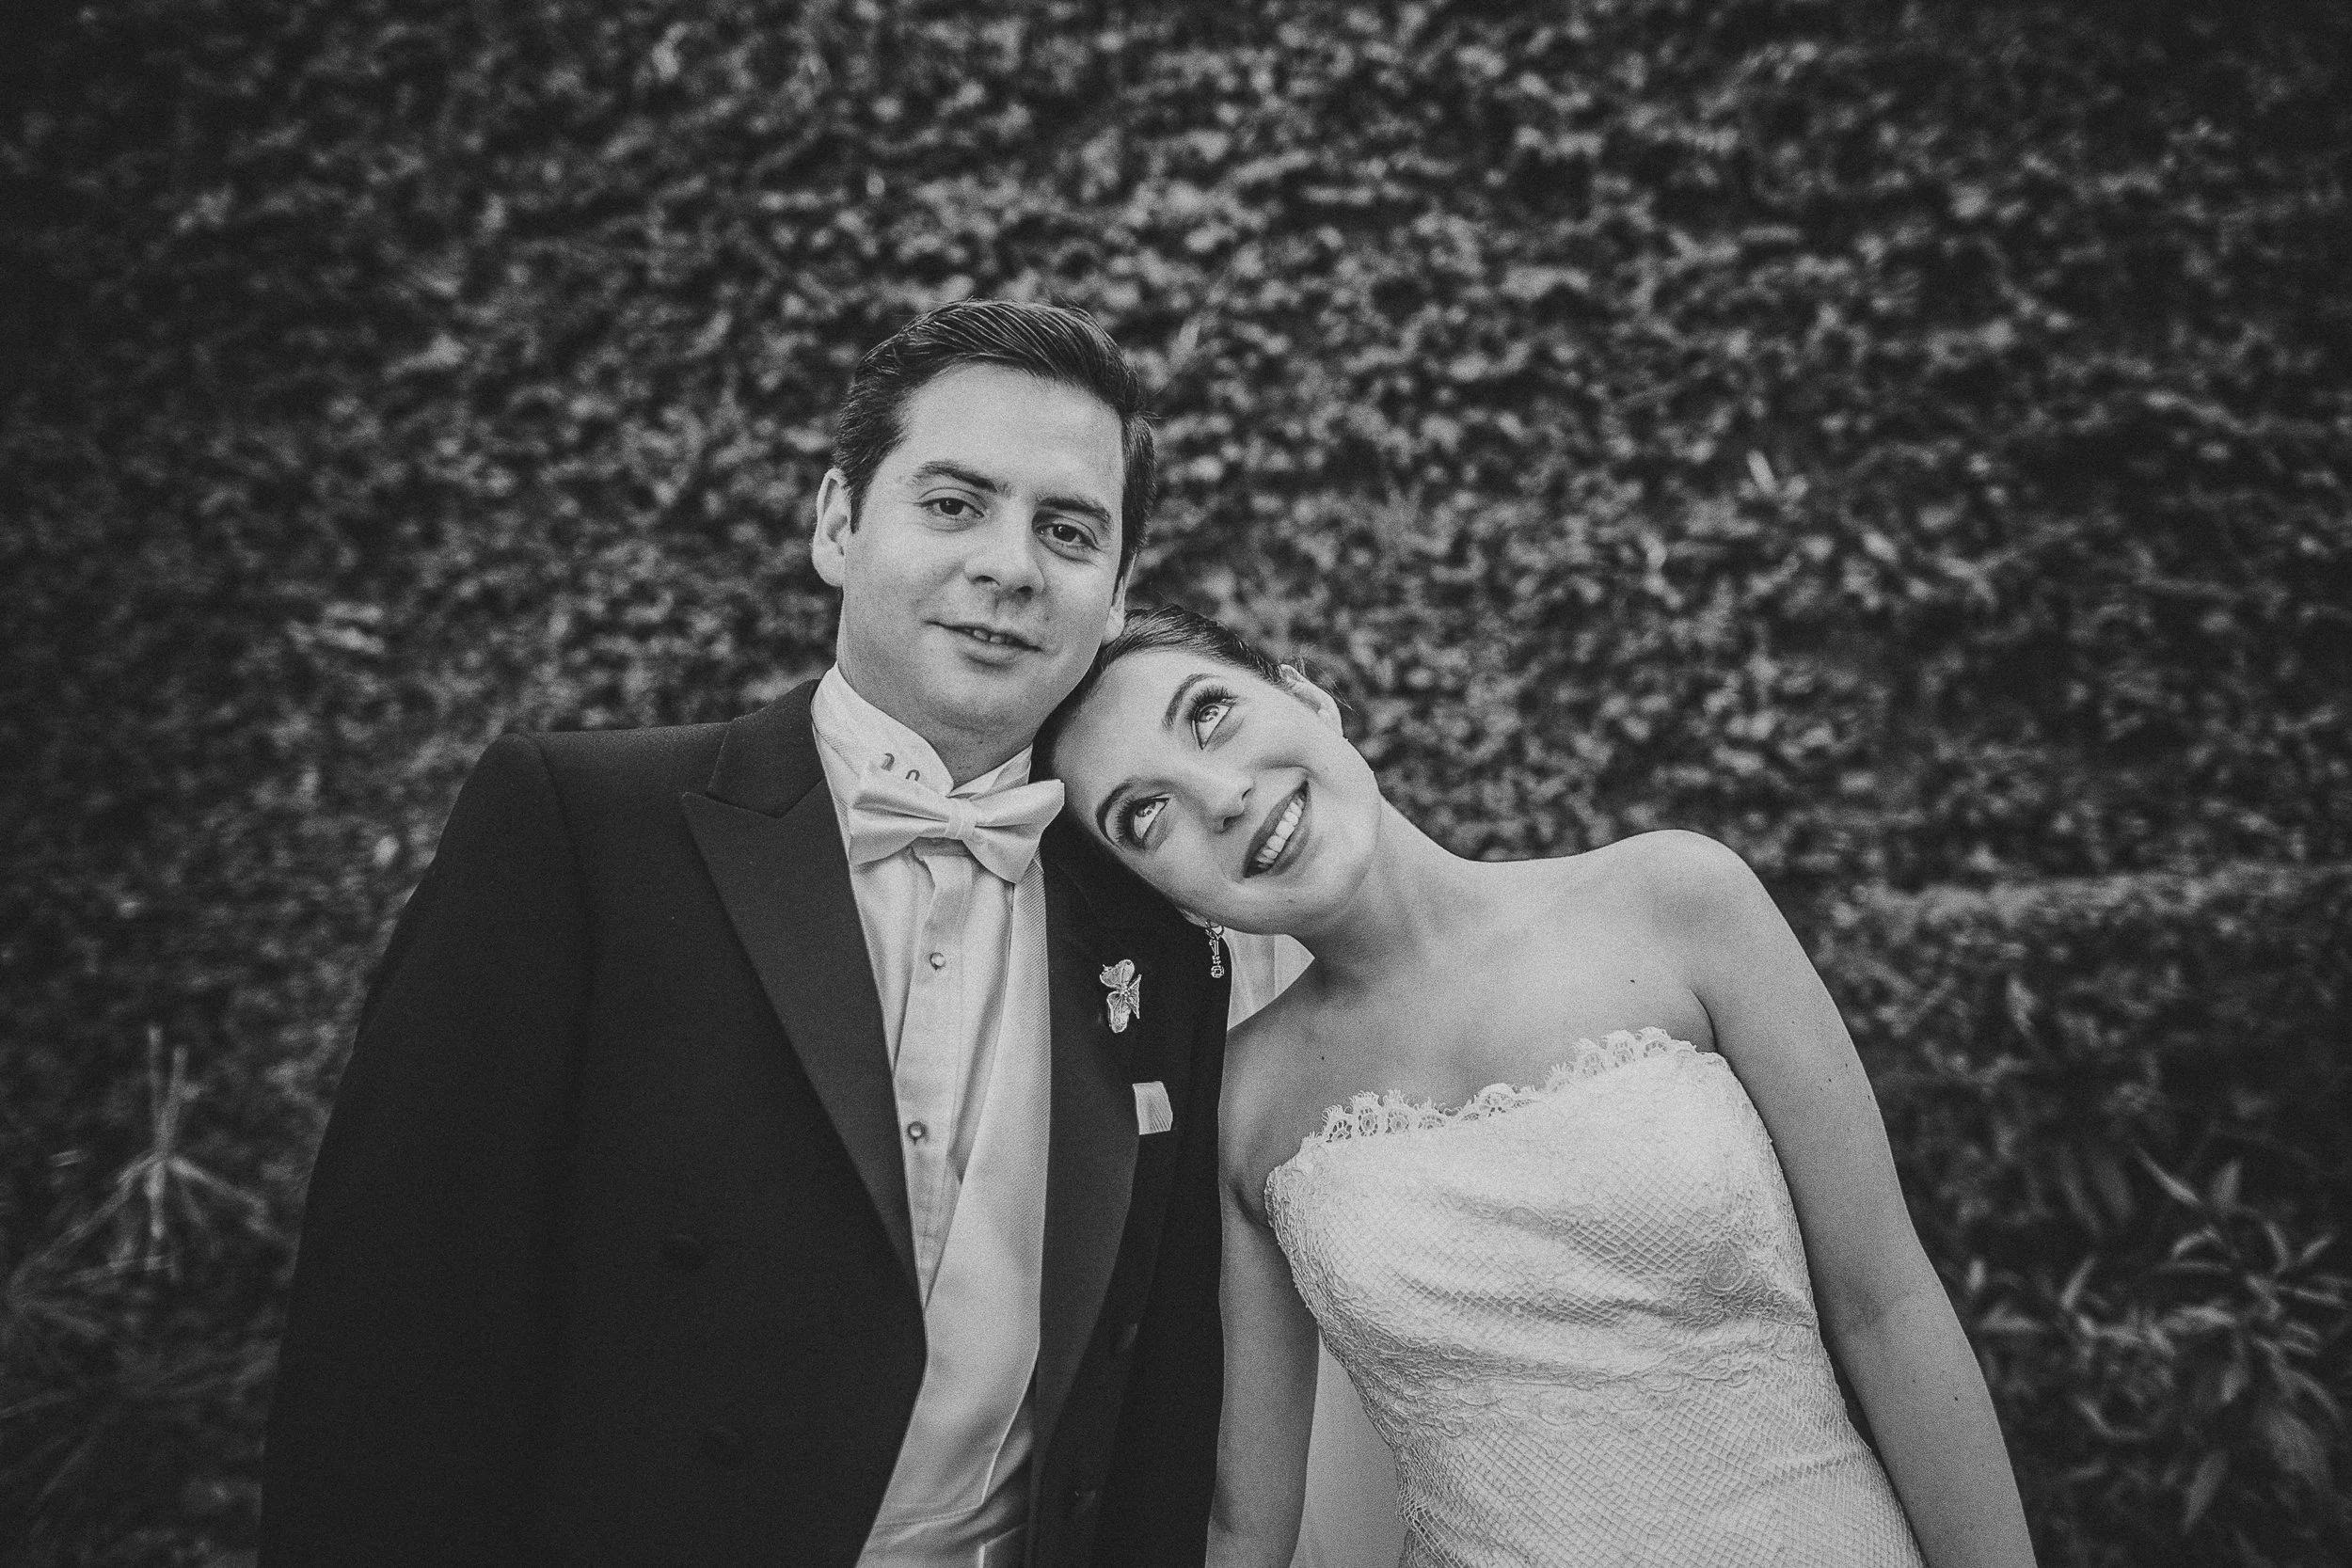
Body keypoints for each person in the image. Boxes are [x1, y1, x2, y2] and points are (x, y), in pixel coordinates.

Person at [261, 303, 1232, 1568]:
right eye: (953, 502)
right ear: (837, 522)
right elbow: (395, 1327)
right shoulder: (580, 829)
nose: (1011, 564)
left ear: (1114, 598)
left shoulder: (1156, 935)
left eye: (1067, 529)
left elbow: (1155, 1381)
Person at [1039, 606, 2040, 1568]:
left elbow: (1884, 1302)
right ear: (1160, 893)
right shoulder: (1240, 1103)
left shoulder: (1674, 900)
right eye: (1146, 814)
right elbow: (1245, 1523)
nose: (1218, 795)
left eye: (1208, 714)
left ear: (1308, 695)